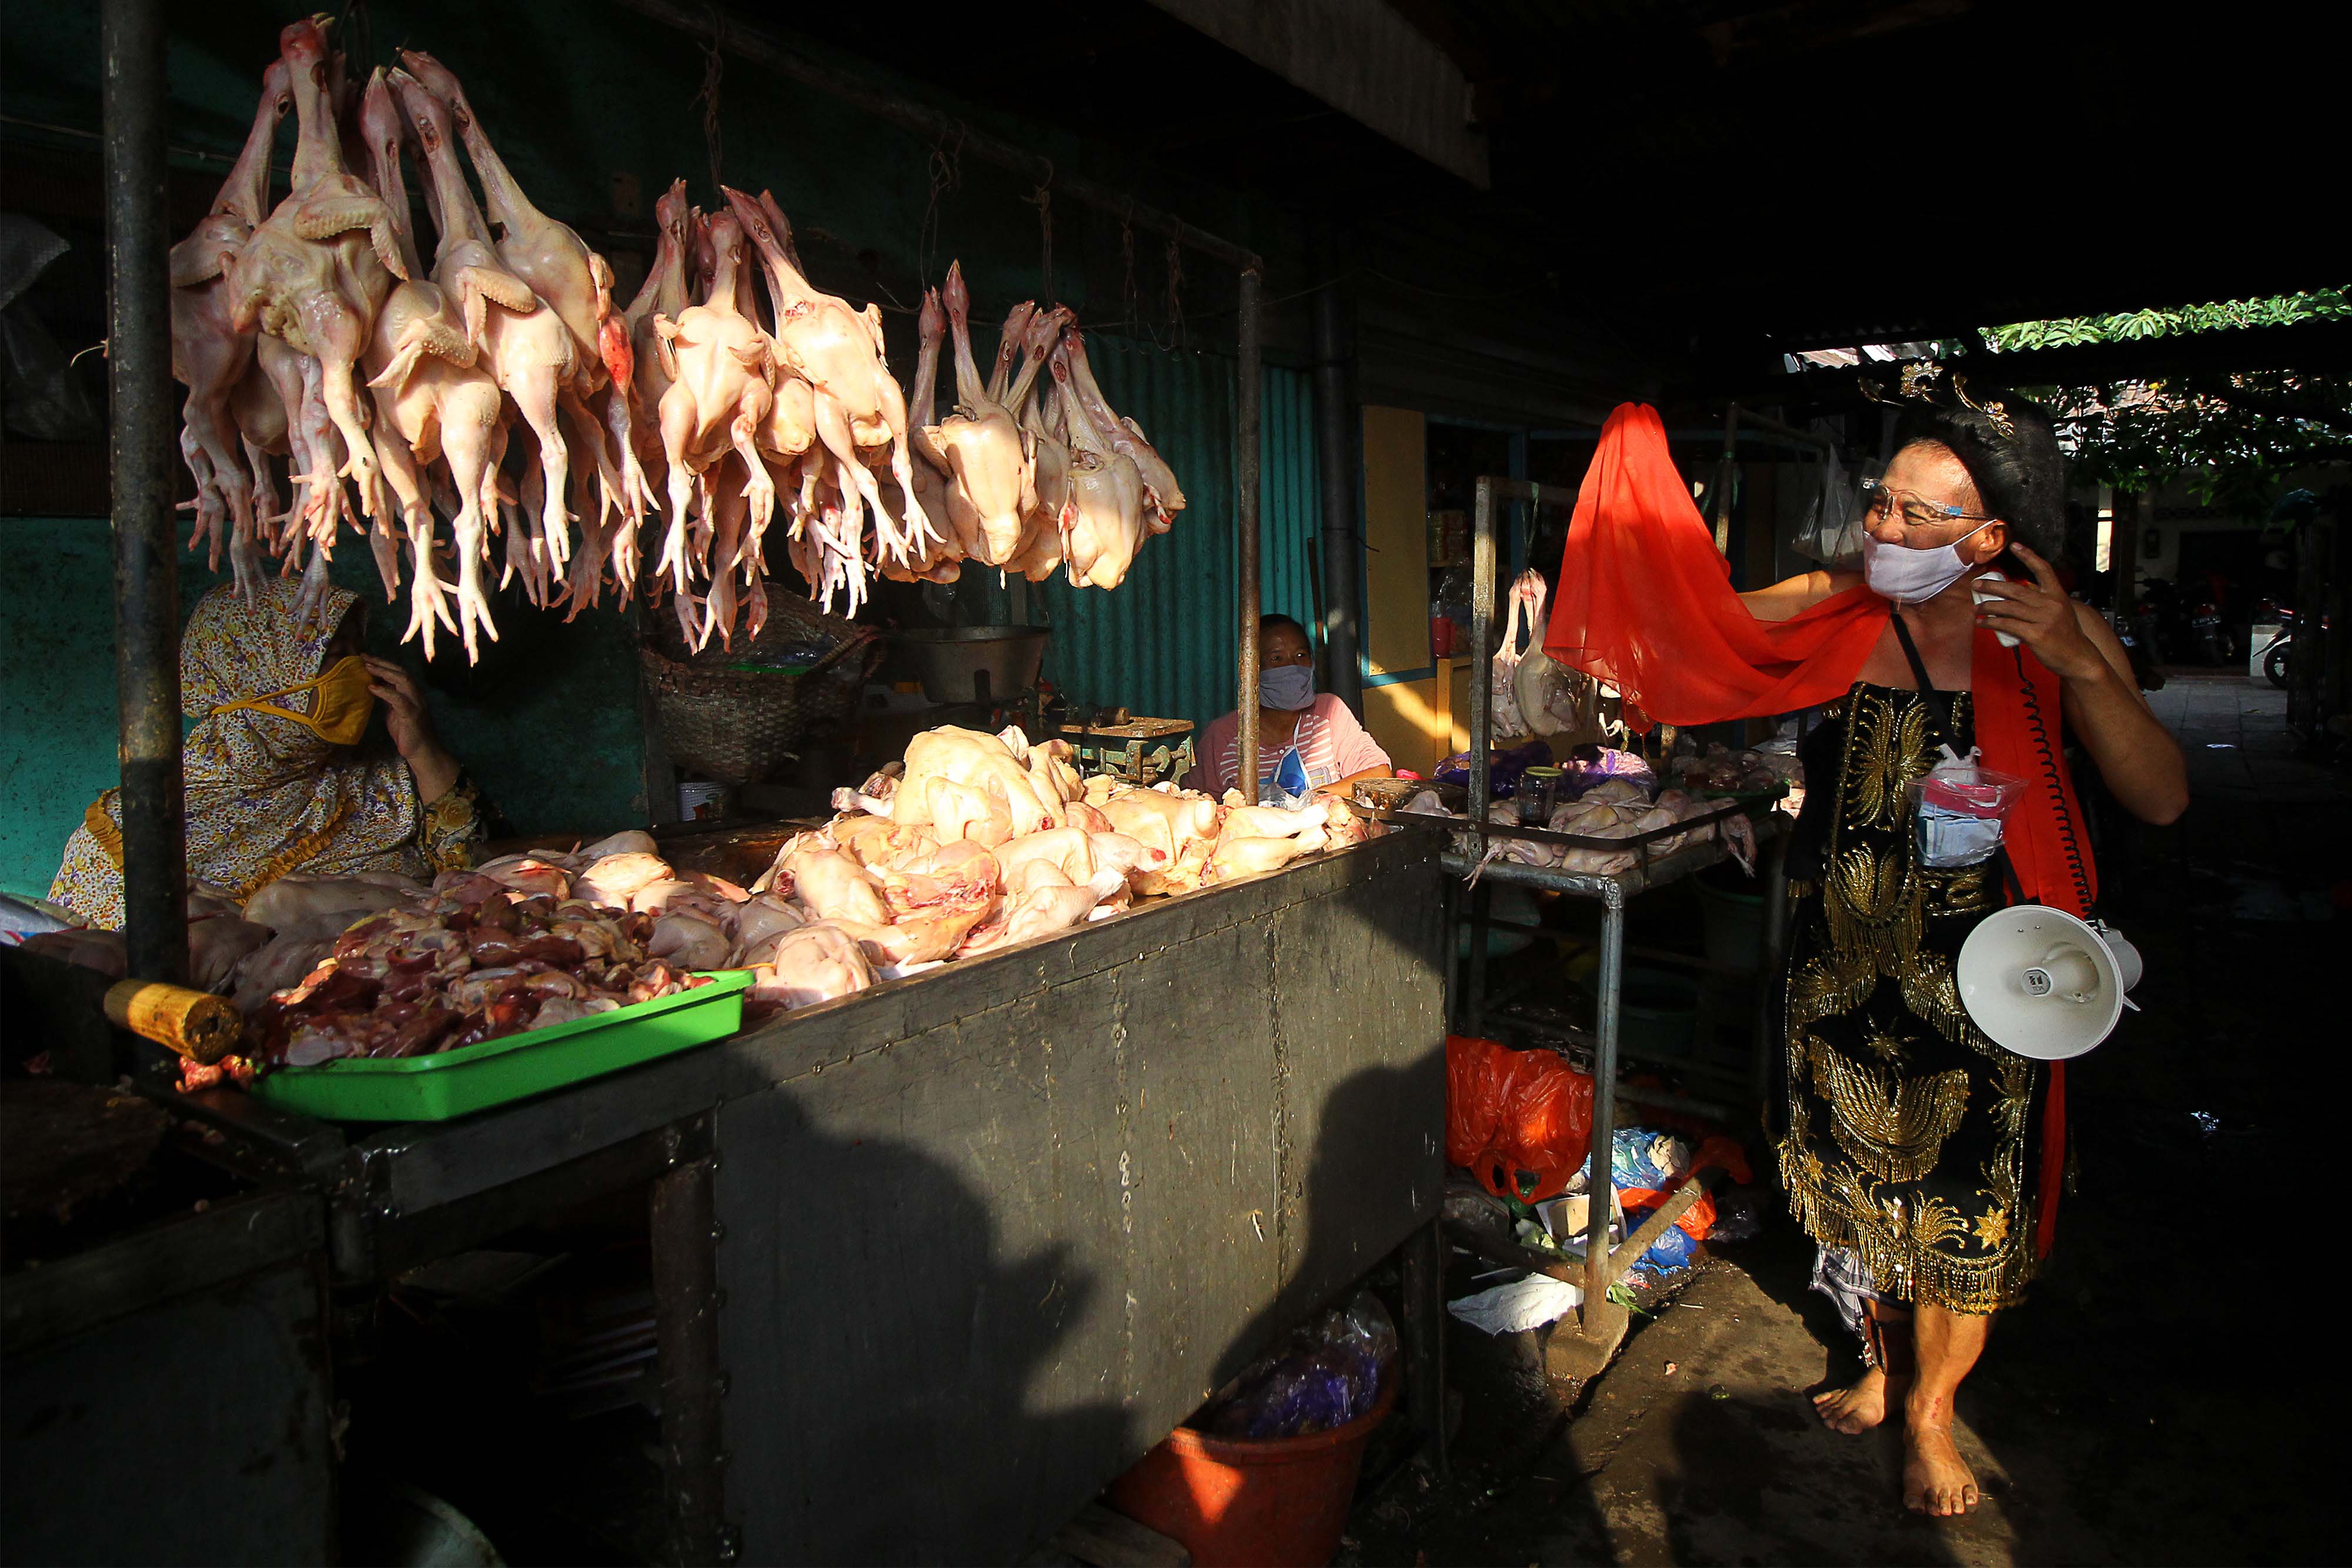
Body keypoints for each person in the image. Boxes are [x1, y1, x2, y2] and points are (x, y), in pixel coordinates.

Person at [1543, 389, 2186, 1518]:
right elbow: (1697, 629)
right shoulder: (1842, 610)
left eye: (1911, 514)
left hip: (1987, 991)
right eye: (1880, 504)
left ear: (1988, 538)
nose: (1880, 529)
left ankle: (1934, 1412)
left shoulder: (2051, 632)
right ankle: (1883, 1363)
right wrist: (1623, 536)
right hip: (1842, 968)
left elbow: (2161, 795)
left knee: (1960, 1215)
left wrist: (2082, 667)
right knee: (1858, 1199)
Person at [49, 579, 492, 928]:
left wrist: (423, 749)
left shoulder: (385, 780)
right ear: (256, 677)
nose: (357, 673)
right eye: (331, 660)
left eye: (356, 653)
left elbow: (484, 884)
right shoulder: (137, 832)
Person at [1183, 614, 1392, 797]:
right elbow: (1195, 803)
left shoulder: (1329, 712)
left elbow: (1379, 773)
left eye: (1301, 656)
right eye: (1276, 658)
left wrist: (1311, 801)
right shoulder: (1222, 737)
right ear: (1252, 669)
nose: (1291, 666)